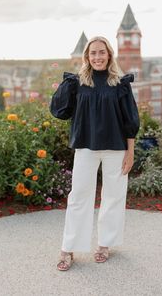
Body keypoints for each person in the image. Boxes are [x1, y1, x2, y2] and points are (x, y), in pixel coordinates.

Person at [49, 36, 140, 271]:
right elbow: (60, 111)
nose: (98, 57)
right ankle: (68, 248)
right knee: (79, 197)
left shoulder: (120, 83)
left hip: (116, 148)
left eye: (102, 52)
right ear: (87, 57)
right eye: (93, 53)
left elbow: (130, 120)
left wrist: (130, 152)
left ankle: (104, 244)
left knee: (113, 197)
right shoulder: (78, 82)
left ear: (109, 55)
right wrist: (66, 85)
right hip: (86, 147)